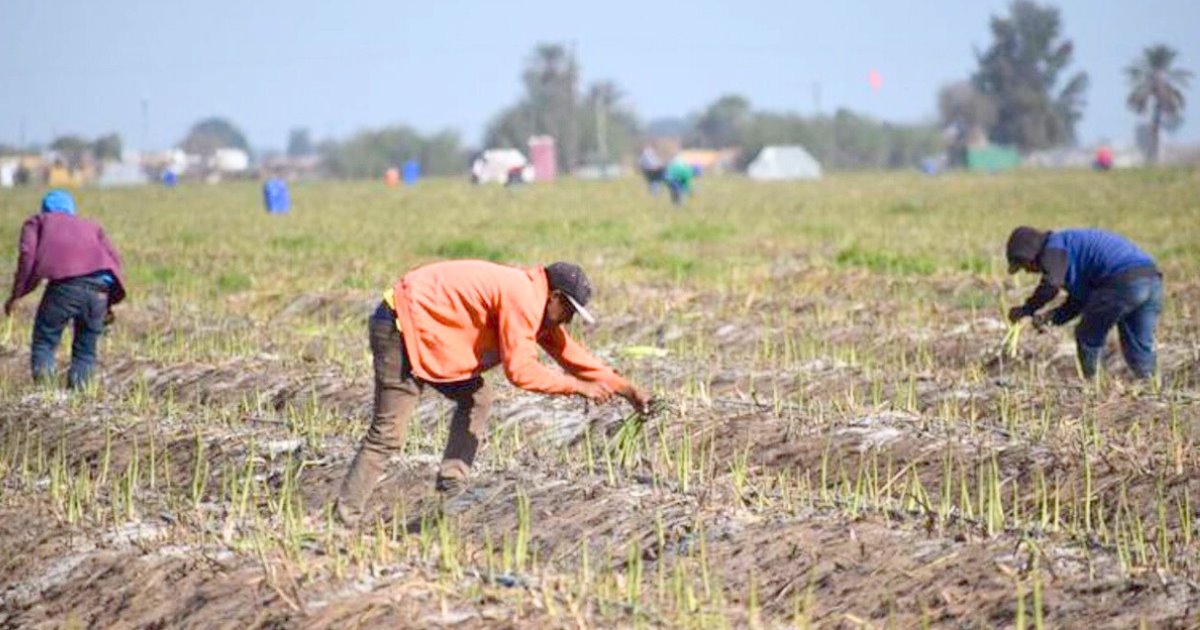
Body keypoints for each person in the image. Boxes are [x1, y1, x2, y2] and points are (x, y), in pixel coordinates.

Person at [336, 260, 652, 525]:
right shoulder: (524, 298)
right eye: (569, 309)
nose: (569, 319)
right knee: (387, 433)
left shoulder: (535, 297)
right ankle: (344, 518)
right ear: (555, 296)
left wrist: (625, 388)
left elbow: (569, 353)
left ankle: (451, 489)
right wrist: (579, 387)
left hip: (429, 333)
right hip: (400, 327)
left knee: (477, 398)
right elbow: (522, 372)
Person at [4, 190, 127, 388]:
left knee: (45, 342)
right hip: (99, 291)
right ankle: (78, 400)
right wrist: (108, 303)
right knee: (85, 351)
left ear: (45, 208)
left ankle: (47, 396)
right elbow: (114, 263)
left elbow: (27, 257)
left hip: (65, 287)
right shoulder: (92, 226)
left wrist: (17, 295)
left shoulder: (38, 222)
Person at [1005, 226, 1162, 380]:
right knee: (1138, 343)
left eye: (1024, 265)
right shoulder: (1070, 252)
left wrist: (1027, 309)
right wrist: (1051, 318)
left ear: (1031, 255)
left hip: (1123, 280)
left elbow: (1051, 285)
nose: (1027, 271)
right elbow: (1081, 301)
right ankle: (1149, 383)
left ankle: (1094, 384)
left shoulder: (1053, 247)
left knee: (1087, 334)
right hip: (1151, 278)